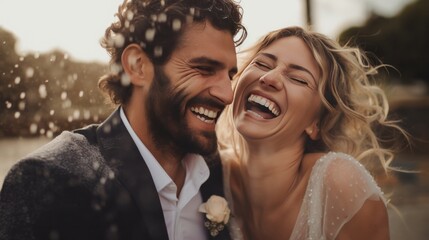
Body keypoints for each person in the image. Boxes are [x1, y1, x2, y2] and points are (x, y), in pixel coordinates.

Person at [0, 0, 246, 239]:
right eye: (204, 69)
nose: (227, 94)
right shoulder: (50, 180)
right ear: (138, 66)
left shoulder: (216, 171)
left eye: (229, 76)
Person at [217, 26, 407, 240]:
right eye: (261, 64)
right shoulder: (207, 173)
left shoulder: (339, 183)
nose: (269, 77)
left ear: (316, 123)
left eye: (298, 79)